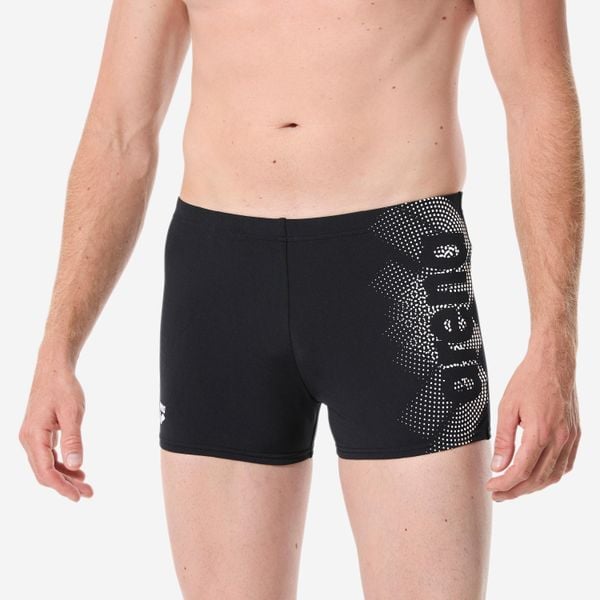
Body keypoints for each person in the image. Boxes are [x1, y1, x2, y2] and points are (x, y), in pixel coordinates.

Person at [19, 0, 583, 598]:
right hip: (218, 281)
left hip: (401, 269)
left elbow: (538, 100)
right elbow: (118, 133)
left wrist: (555, 343)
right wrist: (57, 349)